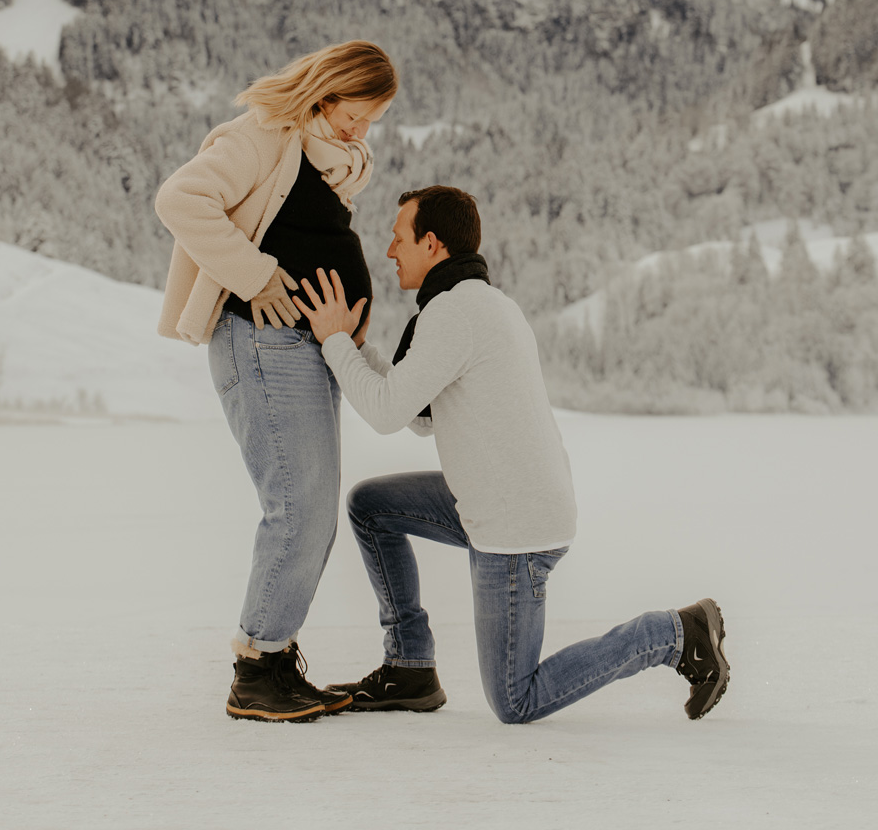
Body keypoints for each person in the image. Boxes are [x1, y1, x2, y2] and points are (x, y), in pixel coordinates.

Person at [293, 185, 730, 725]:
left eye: (397, 236)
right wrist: (357, 349)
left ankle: (672, 634)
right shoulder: (476, 304)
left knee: (515, 700)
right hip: (493, 499)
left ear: (432, 244)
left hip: (515, 528)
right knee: (372, 506)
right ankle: (409, 664)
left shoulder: (456, 312)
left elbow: (385, 413)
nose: (389, 250)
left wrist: (335, 343)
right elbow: (421, 415)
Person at [155, 40, 397, 723]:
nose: (361, 131)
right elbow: (182, 198)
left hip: (304, 347)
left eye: (373, 122)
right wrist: (256, 275)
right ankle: (257, 671)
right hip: (260, 342)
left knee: (310, 508)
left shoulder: (332, 159)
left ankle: (273, 657)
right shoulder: (266, 133)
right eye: (358, 114)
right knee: (300, 506)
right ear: (329, 90)